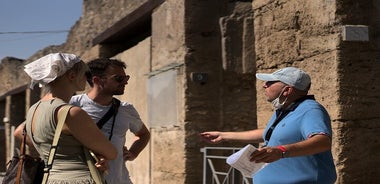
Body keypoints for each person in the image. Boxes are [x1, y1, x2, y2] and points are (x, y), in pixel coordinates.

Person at [200, 67, 337, 183]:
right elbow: (269, 133)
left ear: (287, 90)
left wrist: (280, 151)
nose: (264, 85)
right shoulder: (285, 110)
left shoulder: (310, 110)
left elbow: (322, 141)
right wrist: (224, 136)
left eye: (270, 82)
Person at [21, 53, 117, 183]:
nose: (88, 79)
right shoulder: (71, 113)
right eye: (86, 74)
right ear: (72, 76)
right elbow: (111, 153)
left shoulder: (33, 109)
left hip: (50, 179)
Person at [70, 58, 151, 184]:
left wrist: (133, 153)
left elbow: (143, 134)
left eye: (126, 78)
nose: (125, 83)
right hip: (83, 179)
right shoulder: (72, 105)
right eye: (119, 79)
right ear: (97, 80)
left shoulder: (126, 109)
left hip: (119, 180)